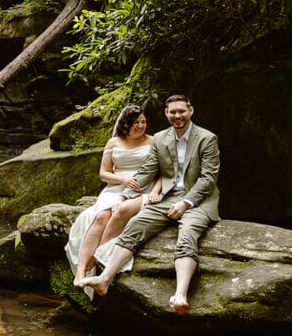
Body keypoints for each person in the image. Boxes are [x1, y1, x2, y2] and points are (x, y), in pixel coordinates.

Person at [75, 94, 220, 315]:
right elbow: (147, 171)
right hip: (167, 197)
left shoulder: (207, 138)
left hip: (197, 199)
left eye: (182, 111)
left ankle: (180, 295)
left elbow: (208, 179)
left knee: (187, 232)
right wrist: (124, 196)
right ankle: (104, 279)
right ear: (166, 113)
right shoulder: (161, 139)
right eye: (173, 112)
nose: (177, 116)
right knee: (136, 224)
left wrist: (185, 203)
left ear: (191, 111)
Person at [64, 104, 163, 295]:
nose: (141, 126)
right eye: (136, 123)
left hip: (144, 187)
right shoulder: (113, 143)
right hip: (116, 187)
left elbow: (162, 171)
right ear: (126, 124)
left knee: (119, 211)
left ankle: (94, 261)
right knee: (101, 215)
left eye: (143, 122)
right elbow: (103, 174)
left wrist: (155, 191)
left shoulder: (153, 142)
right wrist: (123, 179)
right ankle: (81, 270)